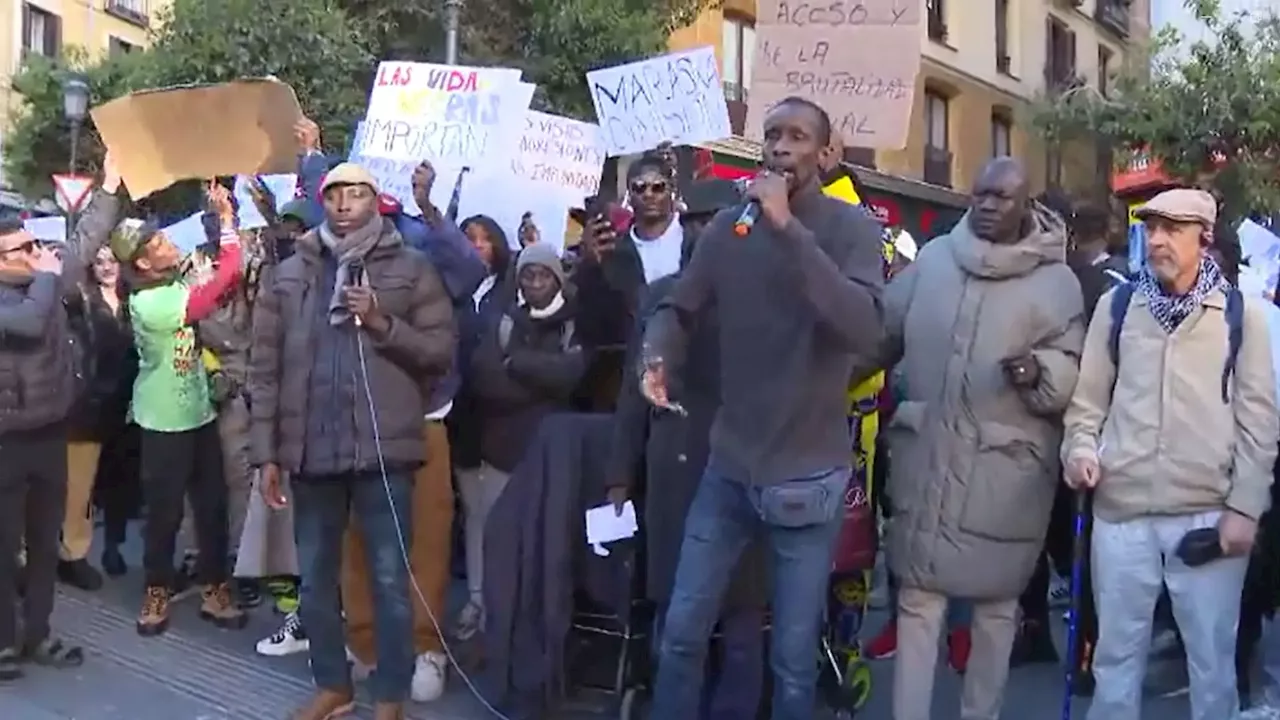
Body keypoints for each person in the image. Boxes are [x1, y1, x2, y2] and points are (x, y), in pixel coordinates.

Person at [640, 97, 885, 720]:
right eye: (771, 134)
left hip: (806, 477)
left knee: (793, 659)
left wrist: (790, 230)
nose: (779, 146)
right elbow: (679, 307)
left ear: (826, 155)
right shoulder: (729, 228)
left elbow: (863, 326)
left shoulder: (853, 229)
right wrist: (658, 355)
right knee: (682, 631)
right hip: (729, 469)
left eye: (797, 136)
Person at [862, 157, 1083, 720]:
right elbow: (880, 335)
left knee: (994, 610)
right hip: (926, 460)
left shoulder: (1057, 285)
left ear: (1025, 204)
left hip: (1002, 479)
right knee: (916, 601)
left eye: (1001, 197)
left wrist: (1041, 374)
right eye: (980, 194)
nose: (986, 205)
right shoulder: (934, 261)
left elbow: (1075, 371)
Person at [248, 162, 456, 720]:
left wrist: (384, 323)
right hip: (311, 450)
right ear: (323, 201)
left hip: (383, 452)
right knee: (315, 579)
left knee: (390, 578)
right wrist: (265, 452)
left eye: (356, 193)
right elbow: (263, 367)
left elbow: (439, 352)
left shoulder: (412, 268)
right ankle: (333, 686)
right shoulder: (289, 273)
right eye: (334, 193)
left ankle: (390, 695)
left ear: (375, 201)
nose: (343, 203)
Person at [1063, 188, 1279, 720]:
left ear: (1204, 240)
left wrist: (1246, 508)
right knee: (1115, 665)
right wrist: (1080, 449)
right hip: (1121, 514)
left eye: (1172, 229)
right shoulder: (1116, 307)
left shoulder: (1242, 315)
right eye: (1152, 228)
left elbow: (1259, 421)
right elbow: (1086, 403)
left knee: (1211, 668)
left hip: (1206, 516)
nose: (1157, 240)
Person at [608, 178, 770, 719]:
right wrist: (619, 473)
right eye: (695, 223)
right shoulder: (662, 297)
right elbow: (633, 394)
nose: (704, 234)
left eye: (715, 222)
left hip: (746, 470)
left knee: (743, 621)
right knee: (674, 620)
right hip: (674, 469)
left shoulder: (765, 298)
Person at [342, 159, 485, 703]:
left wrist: (429, 205)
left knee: (425, 540)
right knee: (356, 539)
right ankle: (365, 642)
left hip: (423, 423)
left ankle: (426, 647)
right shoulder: (334, 265)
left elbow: (471, 272)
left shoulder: (426, 265)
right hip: (358, 426)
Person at [0, 159, 124, 677]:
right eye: (21, 249)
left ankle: (39, 634)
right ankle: (4, 641)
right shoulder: (34, 290)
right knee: (5, 549)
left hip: (51, 433)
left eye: (33, 245)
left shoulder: (45, 275)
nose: (35, 253)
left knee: (46, 542)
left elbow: (89, 239)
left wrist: (112, 189)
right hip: (6, 441)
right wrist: (48, 278)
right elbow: (28, 324)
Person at [117, 182, 248, 636]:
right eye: (157, 243)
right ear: (141, 263)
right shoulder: (151, 301)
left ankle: (215, 589)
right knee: (165, 512)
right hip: (163, 422)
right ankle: (156, 590)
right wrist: (228, 223)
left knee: (212, 507)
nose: (169, 242)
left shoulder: (170, 284)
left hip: (199, 413)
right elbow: (227, 275)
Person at [457, 241, 584, 639]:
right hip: (502, 452)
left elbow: (573, 375)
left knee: (543, 544)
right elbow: (484, 379)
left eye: (543, 275)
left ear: (557, 279)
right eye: (527, 275)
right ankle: (492, 617)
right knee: (497, 538)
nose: (534, 283)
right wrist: (541, 382)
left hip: (553, 454)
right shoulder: (504, 321)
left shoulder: (574, 323)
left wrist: (519, 365)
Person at [59, 158, 130, 590]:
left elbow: (81, 243)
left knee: (78, 491)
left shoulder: (60, 282)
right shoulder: (72, 294)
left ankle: (73, 552)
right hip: (34, 414)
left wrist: (109, 189)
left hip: (86, 409)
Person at [449, 213, 514, 639]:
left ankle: (500, 602)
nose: (476, 246)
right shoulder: (453, 292)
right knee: (473, 513)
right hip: (463, 418)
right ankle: (476, 598)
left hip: (503, 420)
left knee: (500, 515)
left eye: (484, 239)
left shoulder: (510, 292)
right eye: (468, 239)